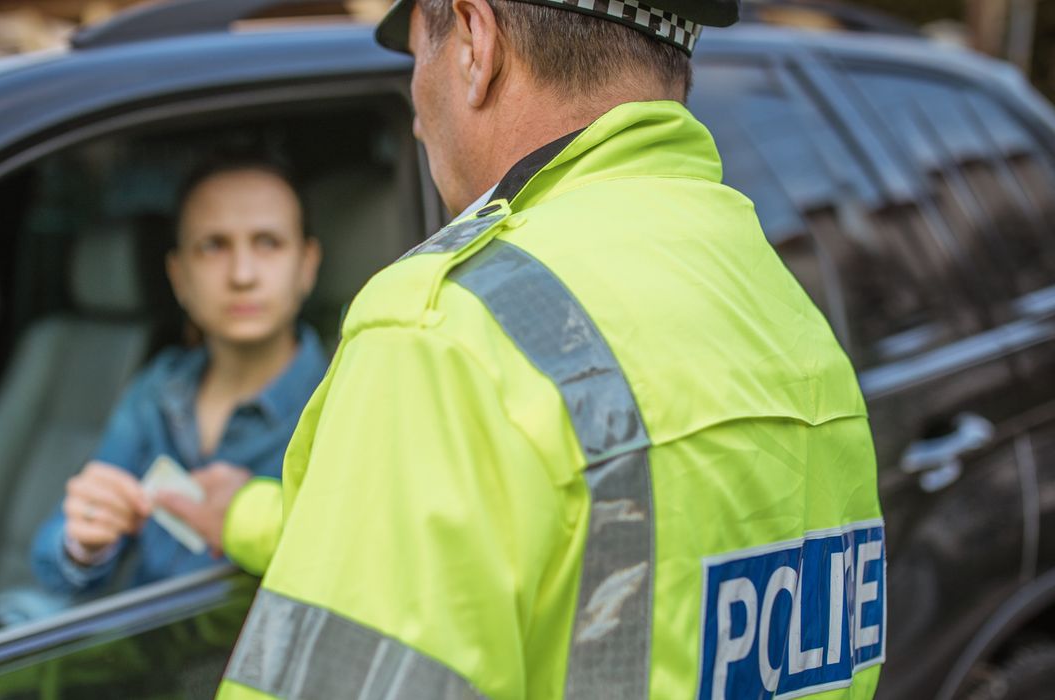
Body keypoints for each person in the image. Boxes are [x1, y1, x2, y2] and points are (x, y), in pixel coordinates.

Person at [217, 0, 885, 698]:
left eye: (418, 61)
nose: (415, 118)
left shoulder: (447, 330)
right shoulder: (782, 305)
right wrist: (239, 517)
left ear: (475, 40)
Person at [28, 155, 327, 603]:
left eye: (267, 242)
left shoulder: (341, 401)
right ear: (178, 276)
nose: (242, 275)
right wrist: (85, 542)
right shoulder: (159, 389)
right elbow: (53, 560)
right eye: (213, 246)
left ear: (307, 265)